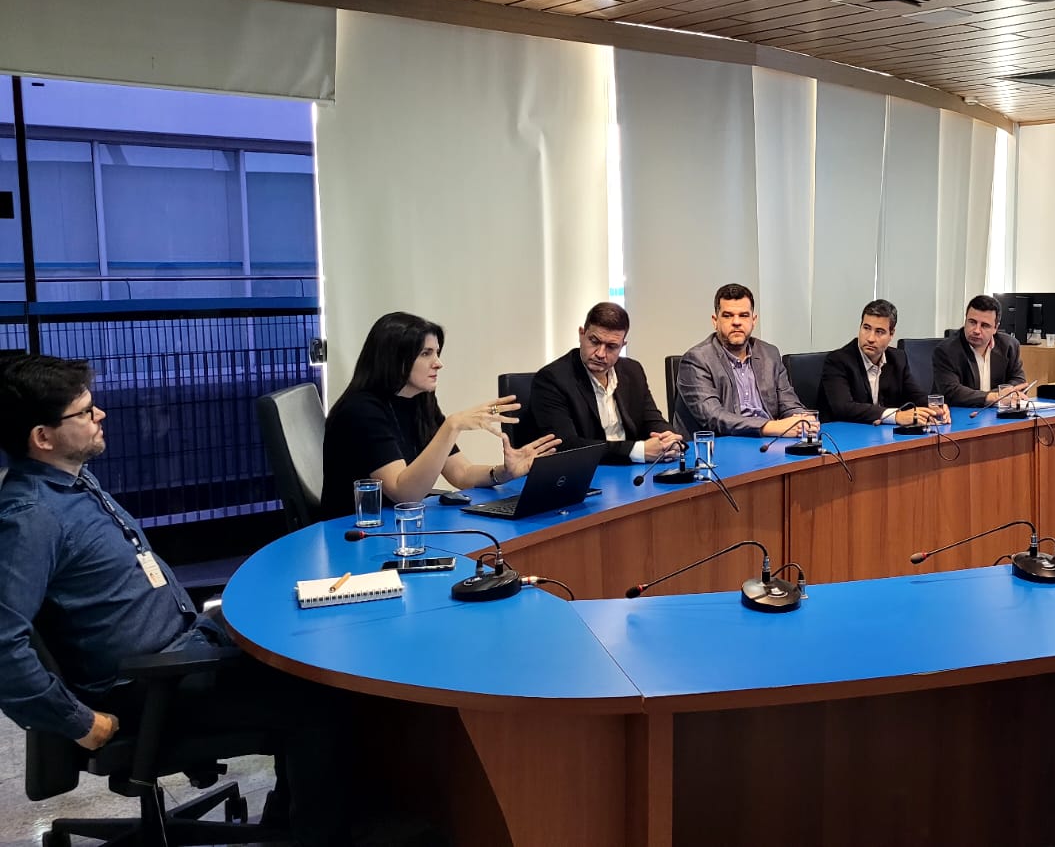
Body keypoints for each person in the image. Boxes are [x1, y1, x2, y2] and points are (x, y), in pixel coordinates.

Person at [0, 354, 353, 845]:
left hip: (180, 652)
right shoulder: (32, 517)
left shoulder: (71, 480)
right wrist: (78, 723)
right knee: (321, 699)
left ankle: (286, 821)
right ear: (43, 437)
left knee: (306, 647)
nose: (101, 414)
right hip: (148, 687)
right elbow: (3, 645)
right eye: (85, 411)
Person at [320, 311, 561, 518]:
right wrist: (452, 425)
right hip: (354, 531)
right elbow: (404, 493)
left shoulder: (420, 400)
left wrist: (504, 472)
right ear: (394, 358)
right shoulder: (361, 411)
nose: (438, 363)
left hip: (399, 524)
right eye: (426, 354)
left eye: (436, 353)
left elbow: (461, 473)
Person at [532, 302, 683, 464]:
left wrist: (670, 440)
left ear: (622, 345)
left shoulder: (632, 370)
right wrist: (638, 451)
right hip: (588, 471)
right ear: (581, 334)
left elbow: (652, 420)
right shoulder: (552, 379)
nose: (600, 353)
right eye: (594, 341)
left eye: (611, 346)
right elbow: (566, 445)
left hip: (633, 470)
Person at [673, 283, 816, 438]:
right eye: (728, 316)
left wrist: (803, 420)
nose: (736, 322)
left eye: (743, 315)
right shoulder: (696, 360)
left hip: (768, 442)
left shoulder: (770, 354)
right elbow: (714, 417)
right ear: (715, 321)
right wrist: (770, 427)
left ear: (753, 320)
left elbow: (789, 404)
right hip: (721, 444)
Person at [818, 299, 947, 426]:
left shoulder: (898, 358)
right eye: (866, 328)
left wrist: (934, 407)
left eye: (879, 332)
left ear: (891, 334)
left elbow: (914, 395)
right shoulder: (838, 360)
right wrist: (895, 416)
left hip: (880, 434)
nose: (870, 338)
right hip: (843, 433)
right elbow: (843, 408)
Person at [931, 295, 1029, 408]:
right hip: (959, 413)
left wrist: (1001, 395)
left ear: (995, 328)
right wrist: (995, 397)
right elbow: (952, 391)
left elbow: (1018, 380)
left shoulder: (1009, 346)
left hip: (996, 413)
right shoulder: (946, 350)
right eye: (972, 322)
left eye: (984, 325)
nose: (977, 330)